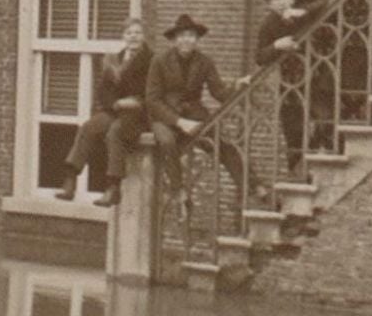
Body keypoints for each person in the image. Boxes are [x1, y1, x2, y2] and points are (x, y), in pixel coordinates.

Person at [146, 14, 259, 215]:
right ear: (174, 39)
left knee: (222, 143)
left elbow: (218, 92)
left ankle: (251, 185)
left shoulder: (204, 61)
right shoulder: (159, 61)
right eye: (182, 36)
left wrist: (237, 86)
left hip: (195, 114)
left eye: (191, 36)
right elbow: (152, 100)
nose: (186, 40)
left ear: (197, 39)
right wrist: (179, 121)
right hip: (164, 116)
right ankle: (178, 191)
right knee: (167, 142)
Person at [54, 18, 152, 207]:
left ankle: (113, 188)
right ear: (124, 37)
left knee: (115, 131)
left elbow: (152, 92)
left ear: (144, 36)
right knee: (89, 127)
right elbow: (103, 91)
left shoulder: (153, 61)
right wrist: (115, 103)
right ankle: (70, 180)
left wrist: (135, 102)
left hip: (138, 114)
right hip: (116, 109)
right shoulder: (114, 60)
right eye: (129, 33)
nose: (133, 37)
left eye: (138, 33)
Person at [254, 0, 327, 172]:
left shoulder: (302, 13)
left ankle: (310, 154)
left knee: (325, 117)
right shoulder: (268, 25)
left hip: (315, 77)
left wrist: (303, 11)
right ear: (270, 4)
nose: (281, 2)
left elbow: (327, 1)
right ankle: (295, 170)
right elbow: (259, 56)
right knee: (293, 131)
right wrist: (277, 46)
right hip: (289, 84)